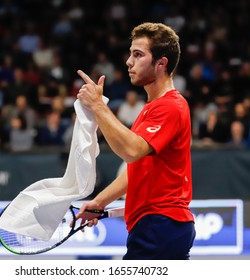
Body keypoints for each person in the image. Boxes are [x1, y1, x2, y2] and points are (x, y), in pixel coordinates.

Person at [76, 22, 195, 260]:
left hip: (160, 225)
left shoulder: (170, 106)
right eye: (131, 54)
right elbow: (137, 169)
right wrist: (100, 201)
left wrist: (98, 106)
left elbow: (131, 151)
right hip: (157, 227)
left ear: (161, 63)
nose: (129, 62)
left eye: (138, 55)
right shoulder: (151, 108)